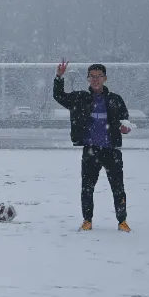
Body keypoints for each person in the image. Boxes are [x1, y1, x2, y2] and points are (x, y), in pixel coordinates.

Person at [53, 61, 134, 232]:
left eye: (99, 76)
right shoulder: (80, 98)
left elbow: (124, 122)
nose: (95, 79)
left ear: (105, 78)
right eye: (92, 76)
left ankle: (122, 221)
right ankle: (87, 221)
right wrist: (59, 77)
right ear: (88, 79)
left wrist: (125, 128)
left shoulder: (115, 100)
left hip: (111, 151)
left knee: (118, 188)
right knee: (87, 188)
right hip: (90, 150)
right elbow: (59, 96)